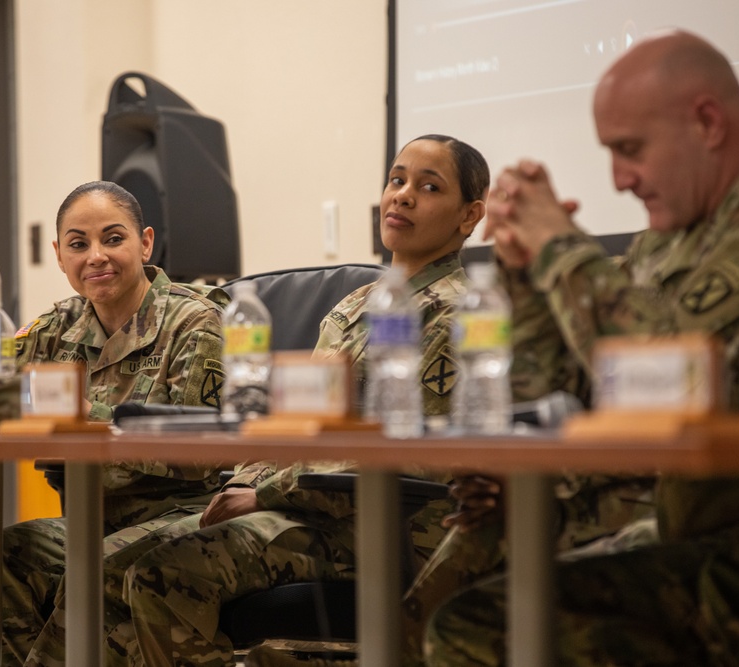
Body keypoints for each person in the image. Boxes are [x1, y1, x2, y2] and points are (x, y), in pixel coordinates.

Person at [427, 30, 739, 666]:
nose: (619, 180)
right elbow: (559, 392)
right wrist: (524, 274)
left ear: (706, 123)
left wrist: (562, 248)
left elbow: (671, 385)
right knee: (464, 574)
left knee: (484, 625)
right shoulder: (672, 237)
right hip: (701, 527)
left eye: (631, 150)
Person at [112, 134, 489, 667]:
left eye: (428, 187)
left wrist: (263, 496)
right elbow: (294, 424)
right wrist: (244, 481)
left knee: (163, 571)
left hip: (383, 530)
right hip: (304, 510)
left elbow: (409, 455)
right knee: (114, 568)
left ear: (469, 215)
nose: (402, 196)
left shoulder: (456, 315)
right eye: (396, 180)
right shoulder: (353, 306)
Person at [0, 180, 258, 667]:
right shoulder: (54, 329)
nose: (96, 256)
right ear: (60, 256)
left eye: (113, 239)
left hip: (185, 514)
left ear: (144, 242)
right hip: (91, 519)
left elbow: (201, 451)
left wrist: (78, 417)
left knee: (96, 570)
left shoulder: (195, 322)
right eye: (78, 244)